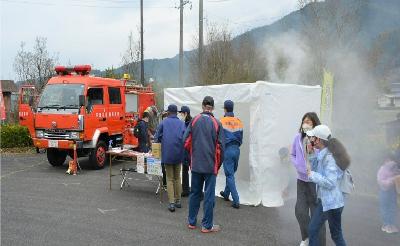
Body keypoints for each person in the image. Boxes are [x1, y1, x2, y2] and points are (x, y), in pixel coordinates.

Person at [184, 96, 225, 233]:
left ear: (202, 106)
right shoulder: (217, 123)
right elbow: (221, 148)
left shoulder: (194, 120)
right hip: (210, 165)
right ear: (212, 107)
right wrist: (217, 165)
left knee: (195, 193)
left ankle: (191, 222)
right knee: (208, 195)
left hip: (196, 164)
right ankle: (207, 225)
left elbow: (186, 141)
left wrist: (191, 160)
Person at [306, 125, 350, 246]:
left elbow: (330, 183)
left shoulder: (329, 158)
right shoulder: (324, 154)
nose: (310, 140)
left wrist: (311, 174)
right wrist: (310, 154)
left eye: (312, 137)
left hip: (330, 203)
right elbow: (317, 169)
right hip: (333, 202)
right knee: (335, 234)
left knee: (313, 229)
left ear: (318, 140)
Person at [291, 112, 325, 246]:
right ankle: (306, 237)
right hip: (301, 181)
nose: (306, 124)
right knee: (300, 211)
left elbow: (322, 158)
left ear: (315, 124)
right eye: (304, 121)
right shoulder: (297, 138)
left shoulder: (319, 140)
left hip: (315, 182)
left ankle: (320, 243)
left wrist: (313, 148)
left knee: (317, 216)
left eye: (309, 122)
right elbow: (292, 154)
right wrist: (298, 165)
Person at [154, 104, 186, 212]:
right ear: (176, 112)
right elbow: (185, 138)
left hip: (167, 154)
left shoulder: (163, 123)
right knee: (177, 178)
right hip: (179, 154)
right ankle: (178, 201)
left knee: (169, 178)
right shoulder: (182, 124)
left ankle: (172, 203)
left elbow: (156, 138)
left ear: (168, 112)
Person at [219, 100, 243, 209]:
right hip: (236, 149)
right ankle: (226, 193)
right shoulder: (239, 121)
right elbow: (241, 138)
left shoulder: (221, 121)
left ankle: (236, 200)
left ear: (224, 109)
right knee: (231, 173)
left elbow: (219, 137)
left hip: (227, 150)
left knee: (229, 175)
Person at [377, 150, 400, 234]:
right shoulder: (382, 169)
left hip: (392, 192)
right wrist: (392, 180)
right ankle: (387, 224)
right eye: (389, 160)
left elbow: (397, 176)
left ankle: (389, 224)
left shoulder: (395, 169)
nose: (391, 162)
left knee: (392, 208)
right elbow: (380, 181)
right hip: (385, 192)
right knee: (386, 208)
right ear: (385, 160)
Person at [179, 105, 192, 197]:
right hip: (187, 151)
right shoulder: (186, 123)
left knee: (186, 170)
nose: (180, 115)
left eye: (181, 113)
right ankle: (186, 189)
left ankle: (187, 190)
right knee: (185, 170)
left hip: (189, 151)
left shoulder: (189, 124)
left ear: (185, 113)